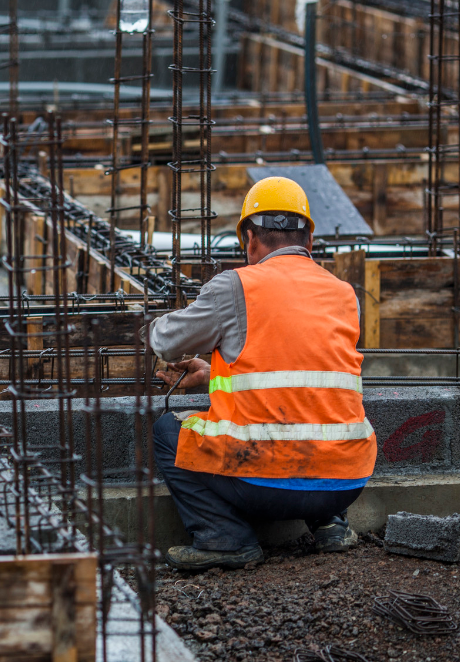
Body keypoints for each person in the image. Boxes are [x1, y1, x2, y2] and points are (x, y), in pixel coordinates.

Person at [147, 176, 376, 571]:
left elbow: (166, 341)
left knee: (167, 431)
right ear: (309, 240)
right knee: (322, 418)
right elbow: (303, 368)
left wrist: (148, 325)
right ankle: (330, 526)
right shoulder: (344, 293)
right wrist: (213, 371)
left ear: (250, 238)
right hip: (346, 481)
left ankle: (225, 540)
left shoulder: (237, 286)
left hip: (262, 483)